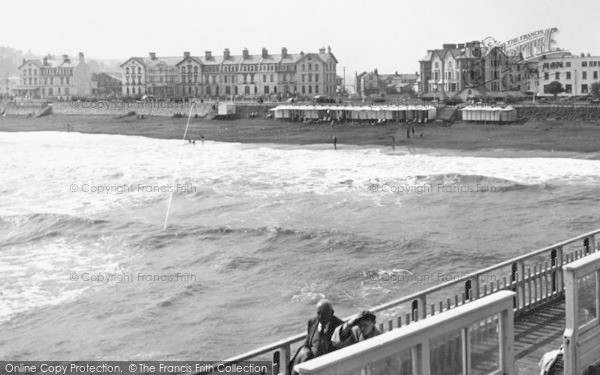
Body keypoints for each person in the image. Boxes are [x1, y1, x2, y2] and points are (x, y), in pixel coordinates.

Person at [292, 299, 343, 368]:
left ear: (332, 313)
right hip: (311, 363)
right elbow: (308, 343)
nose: (320, 316)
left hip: (329, 366)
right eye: (319, 313)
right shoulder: (312, 322)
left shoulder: (339, 327)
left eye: (324, 313)